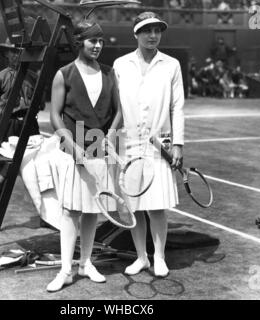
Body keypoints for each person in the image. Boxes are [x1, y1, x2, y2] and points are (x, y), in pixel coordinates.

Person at [47, 20, 122, 292]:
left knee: (92, 211)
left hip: (99, 152)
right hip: (73, 150)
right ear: (79, 41)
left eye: (101, 41)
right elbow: (54, 116)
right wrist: (71, 144)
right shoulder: (63, 74)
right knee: (70, 211)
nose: (98, 46)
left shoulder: (110, 73)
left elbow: (119, 111)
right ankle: (65, 269)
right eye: (93, 41)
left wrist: (110, 137)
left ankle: (85, 263)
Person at [113, 12, 184, 278]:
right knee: (134, 207)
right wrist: (110, 137)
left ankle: (160, 257)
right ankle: (141, 257)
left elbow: (178, 107)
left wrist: (178, 144)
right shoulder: (121, 64)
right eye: (146, 30)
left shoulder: (171, 65)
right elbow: (117, 107)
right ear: (136, 33)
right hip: (129, 145)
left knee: (156, 206)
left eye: (157, 30)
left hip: (159, 146)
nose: (152, 35)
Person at [0, 39, 40, 237]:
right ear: (6, 54)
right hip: (9, 127)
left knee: (38, 171)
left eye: (21, 51)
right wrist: (1, 128)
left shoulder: (33, 77)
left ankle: (44, 215)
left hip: (30, 125)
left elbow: (39, 105)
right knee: (3, 175)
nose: (17, 55)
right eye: (13, 52)